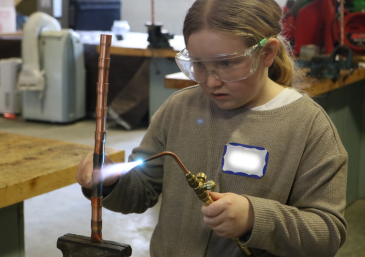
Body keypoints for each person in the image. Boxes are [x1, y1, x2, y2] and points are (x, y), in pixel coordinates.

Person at [77, 0, 348, 256]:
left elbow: (327, 234)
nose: (210, 81)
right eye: (198, 64)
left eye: (227, 63)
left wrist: (255, 218)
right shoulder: (179, 109)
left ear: (267, 53)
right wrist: (112, 181)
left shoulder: (309, 126)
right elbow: (141, 190)